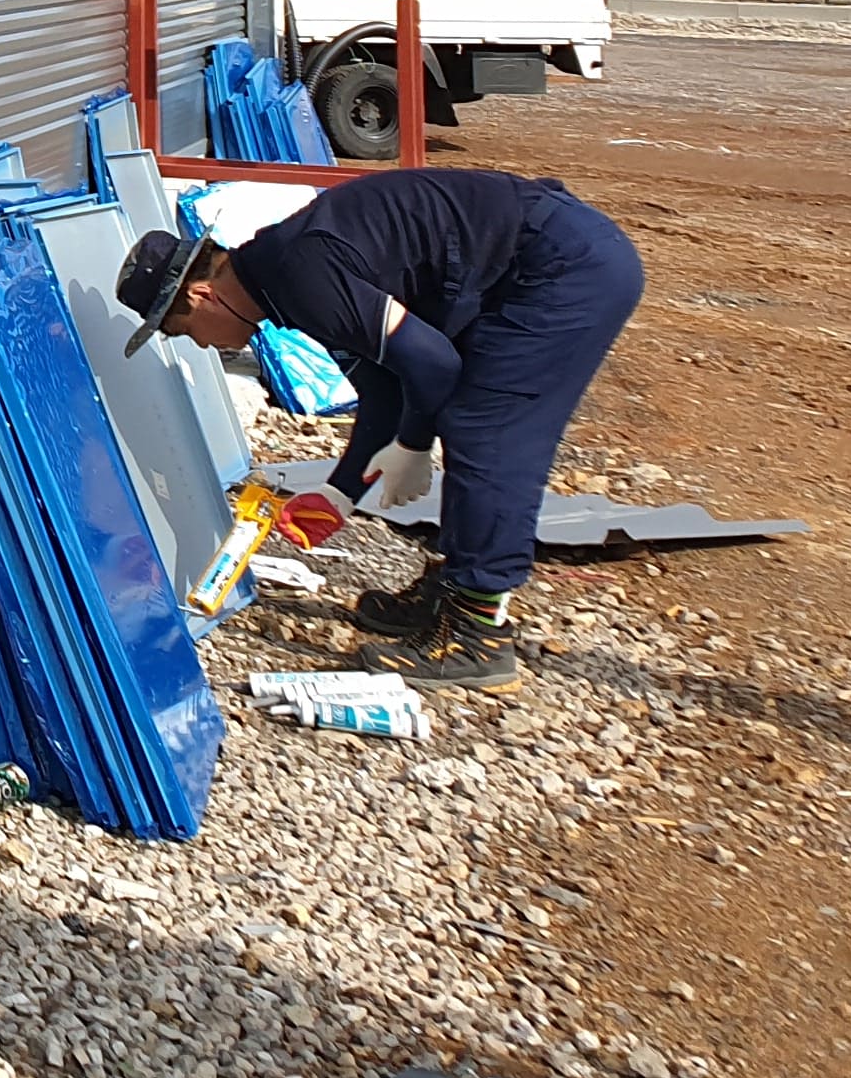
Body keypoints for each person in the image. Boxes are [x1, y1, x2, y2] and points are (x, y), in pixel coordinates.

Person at [119, 167, 649, 689]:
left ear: (201, 295)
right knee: (470, 416)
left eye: (181, 331)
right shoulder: (279, 280)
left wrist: (414, 445)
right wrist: (340, 493)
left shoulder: (300, 271)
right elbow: (384, 388)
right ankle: (454, 592)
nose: (201, 345)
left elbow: (434, 365)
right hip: (528, 263)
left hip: (563, 267)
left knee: (488, 430)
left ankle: (478, 634)